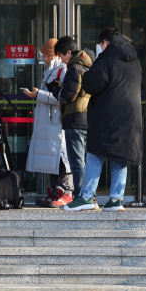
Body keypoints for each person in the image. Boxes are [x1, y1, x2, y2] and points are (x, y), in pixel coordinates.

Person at [64, 28, 142, 213]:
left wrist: (90, 71)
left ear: (105, 43)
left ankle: (85, 197)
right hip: (130, 117)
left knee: (94, 155)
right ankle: (116, 199)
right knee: (121, 156)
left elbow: (91, 84)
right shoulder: (135, 60)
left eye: (101, 45)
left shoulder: (106, 59)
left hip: (107, 115)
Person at [23, 39, 73, 207]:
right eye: (43, 55)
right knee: (53, 158)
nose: (45, 58)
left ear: (57, 55)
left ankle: (66, 191)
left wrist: (38, 95)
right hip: (49, 121)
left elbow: (62, 98)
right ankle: (54, 192)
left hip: (57, 121)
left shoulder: (62, 69)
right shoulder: (51, 70)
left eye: (48, 55)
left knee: (61, 157)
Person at [52, 36, 94, 202]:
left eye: (62, 56)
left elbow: (68, 97)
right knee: (88, 162)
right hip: (87, 118)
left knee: (77, 162)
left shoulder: (74, 68)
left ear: (69, 52)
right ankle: (91, 196)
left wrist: (56, 91)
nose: (61, 60)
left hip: (75, 120)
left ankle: (80, 197)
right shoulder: (87, 65)